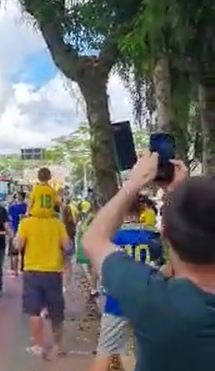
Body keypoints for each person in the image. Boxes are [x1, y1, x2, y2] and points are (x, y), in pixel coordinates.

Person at [82, 152, 215, 371]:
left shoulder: (151, 298)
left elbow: (94, 239)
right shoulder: (150, 295)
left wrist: (134, 183)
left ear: (165, 232)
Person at [89, 196, 163, 371]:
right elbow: (160, 262)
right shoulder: (151, 235)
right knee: (127, 347)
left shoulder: (113, 236)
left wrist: (96, 287)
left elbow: (99, 266)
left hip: (118, 299)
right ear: (141, 211)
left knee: (105, 350)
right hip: (146, 297)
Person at [14, 168, 71, 359]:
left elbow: (18, 245)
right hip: (53, 271)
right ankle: (57, 346)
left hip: (32, 271)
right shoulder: (58, 224)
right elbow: (67, 246)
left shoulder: (26, 223)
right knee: (56, 311)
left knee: (34, 310)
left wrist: (19, 239)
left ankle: (38, 346)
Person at [7, 191, 28, 275]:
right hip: (20, 230)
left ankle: (15, 269)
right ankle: (19, 268)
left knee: (16, 251)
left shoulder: (14, 207)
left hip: (17, 230)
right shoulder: (26, 207)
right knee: (20, 251)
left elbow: (8, 218)